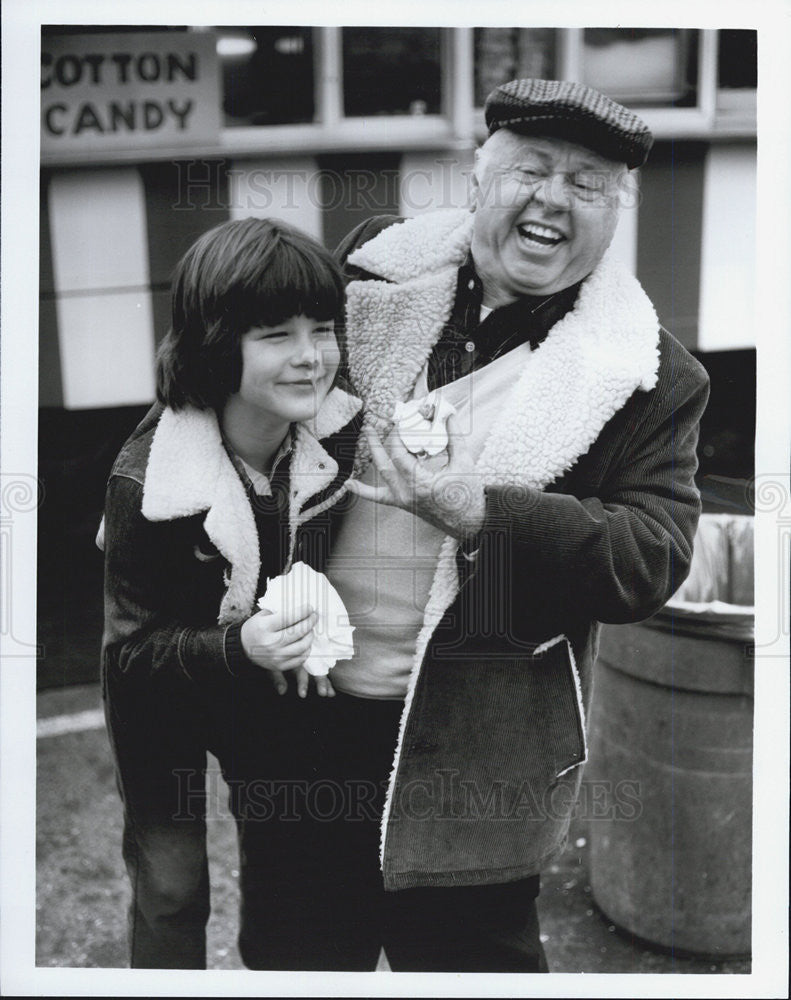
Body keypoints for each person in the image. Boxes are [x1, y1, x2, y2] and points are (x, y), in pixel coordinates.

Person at [316, 78, 711, 971]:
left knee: (473, 969)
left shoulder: (651, 375)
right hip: (312, 712)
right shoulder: (373, 264)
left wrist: (479, 513)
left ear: (615, 216)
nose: (551, 200)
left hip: (477, 754)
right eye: (530, 169)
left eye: (587, 184)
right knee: (300, 955)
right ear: (476, 181)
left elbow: (648, 560)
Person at [99, 217, 361, 968]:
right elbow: (130, 657)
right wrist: (236, 645)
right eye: (276, 335)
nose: (310, 356)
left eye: (323, 328)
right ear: (217, 344)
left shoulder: (332, 436)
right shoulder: (145, 479)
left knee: (290, 871)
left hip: (268, 688)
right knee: (174, 885)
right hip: (164, 698)